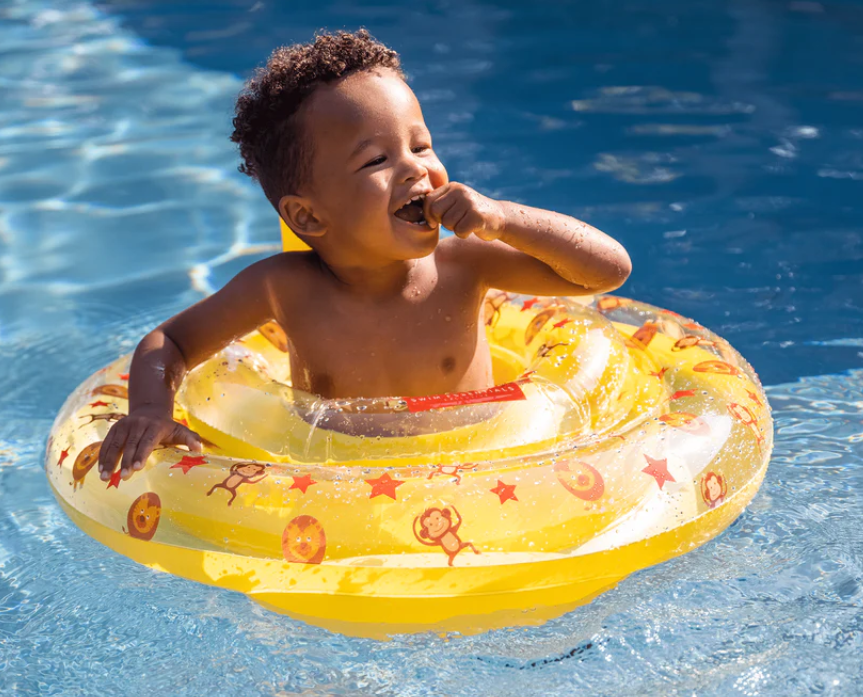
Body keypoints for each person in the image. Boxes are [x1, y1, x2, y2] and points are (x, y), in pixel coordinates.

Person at [98, 29, 631, 481]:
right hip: (339, 484)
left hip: (475, 471)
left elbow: (606, 272)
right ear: (307, 217)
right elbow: (170, 341)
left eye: (420, 146)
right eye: (377, 159)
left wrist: (504, 218)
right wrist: (150, 411)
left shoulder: (465, 265)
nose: (415, 169)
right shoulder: (285, 287)